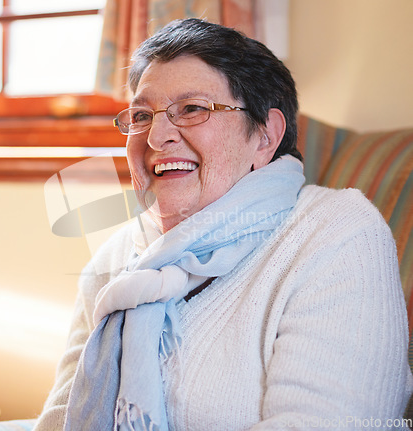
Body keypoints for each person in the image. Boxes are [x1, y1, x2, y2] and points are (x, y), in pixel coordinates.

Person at [34, 18, 412, 430]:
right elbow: (61, 419)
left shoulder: (336, 233)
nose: (158, 136)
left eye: (193, 109)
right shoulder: (115, 258)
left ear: (265, 137)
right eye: (142, 115)